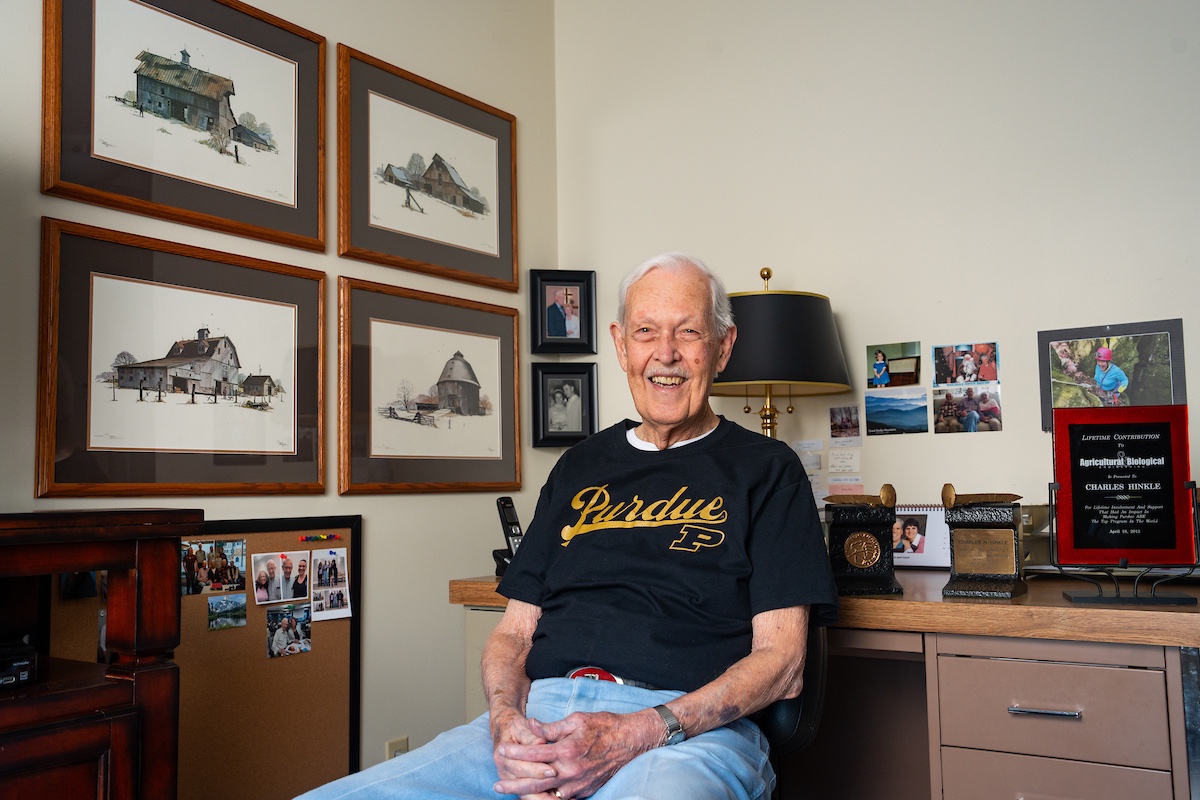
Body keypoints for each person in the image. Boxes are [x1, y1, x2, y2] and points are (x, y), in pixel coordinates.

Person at [298, 252, 838, 800]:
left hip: (685, 736)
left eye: (689, 332)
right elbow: (512, 634)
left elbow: (783, 661)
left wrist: (639, 732)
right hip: (539, 719)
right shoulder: (579, 466)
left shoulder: (768, 470)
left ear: (722, 347)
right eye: (646, 331)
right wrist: (506, 722)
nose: (666, 354)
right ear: (621, 345)